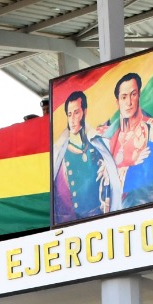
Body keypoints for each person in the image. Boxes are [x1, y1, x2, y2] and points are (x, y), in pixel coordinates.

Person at [95, 72, 153, 209]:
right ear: (117, 102)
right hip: (112, 212)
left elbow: (150, 176)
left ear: (139, 95)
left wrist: (114, 171)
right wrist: (132, 163)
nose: (129, 102)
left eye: (133, 94)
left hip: (145, 208)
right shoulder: (106, 137)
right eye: (124, 97)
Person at [51, 90, 120, 223]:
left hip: (102, 218)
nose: (72, 119)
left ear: (84, 112)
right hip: (75, 222)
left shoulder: (98, 144)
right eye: (69, 114)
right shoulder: (59, 152)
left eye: (76, 113)